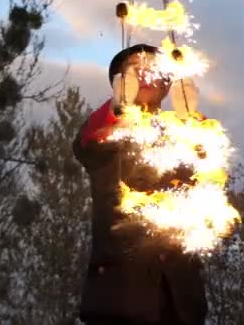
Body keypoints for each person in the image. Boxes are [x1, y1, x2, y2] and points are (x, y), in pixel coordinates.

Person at [73, 44, 207, 325]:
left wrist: (191, 121)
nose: (148, 76)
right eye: (137, 70)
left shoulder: (184, 135)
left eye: (155, 70)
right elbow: (87, 144)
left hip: (182, 305)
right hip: (118, 301)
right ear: (119, 82)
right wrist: (118, 108)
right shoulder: (106, 131)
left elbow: (207, 177)